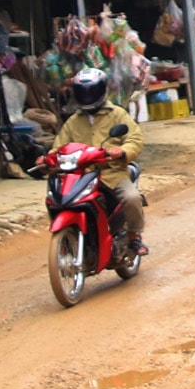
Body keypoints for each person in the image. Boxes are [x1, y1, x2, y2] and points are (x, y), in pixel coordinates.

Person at [51, 68, 147, 254]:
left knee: (132, 198)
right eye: (83, 91)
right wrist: (49, 158)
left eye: (91, 91)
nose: (87, 96)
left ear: (101, 90)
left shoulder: (117, 114)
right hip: (81, 177)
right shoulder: (73, 121)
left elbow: (135, 139)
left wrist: (122, 151)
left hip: (112, 174)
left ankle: (134, 236)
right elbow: (59, 147)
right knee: (58, 200)